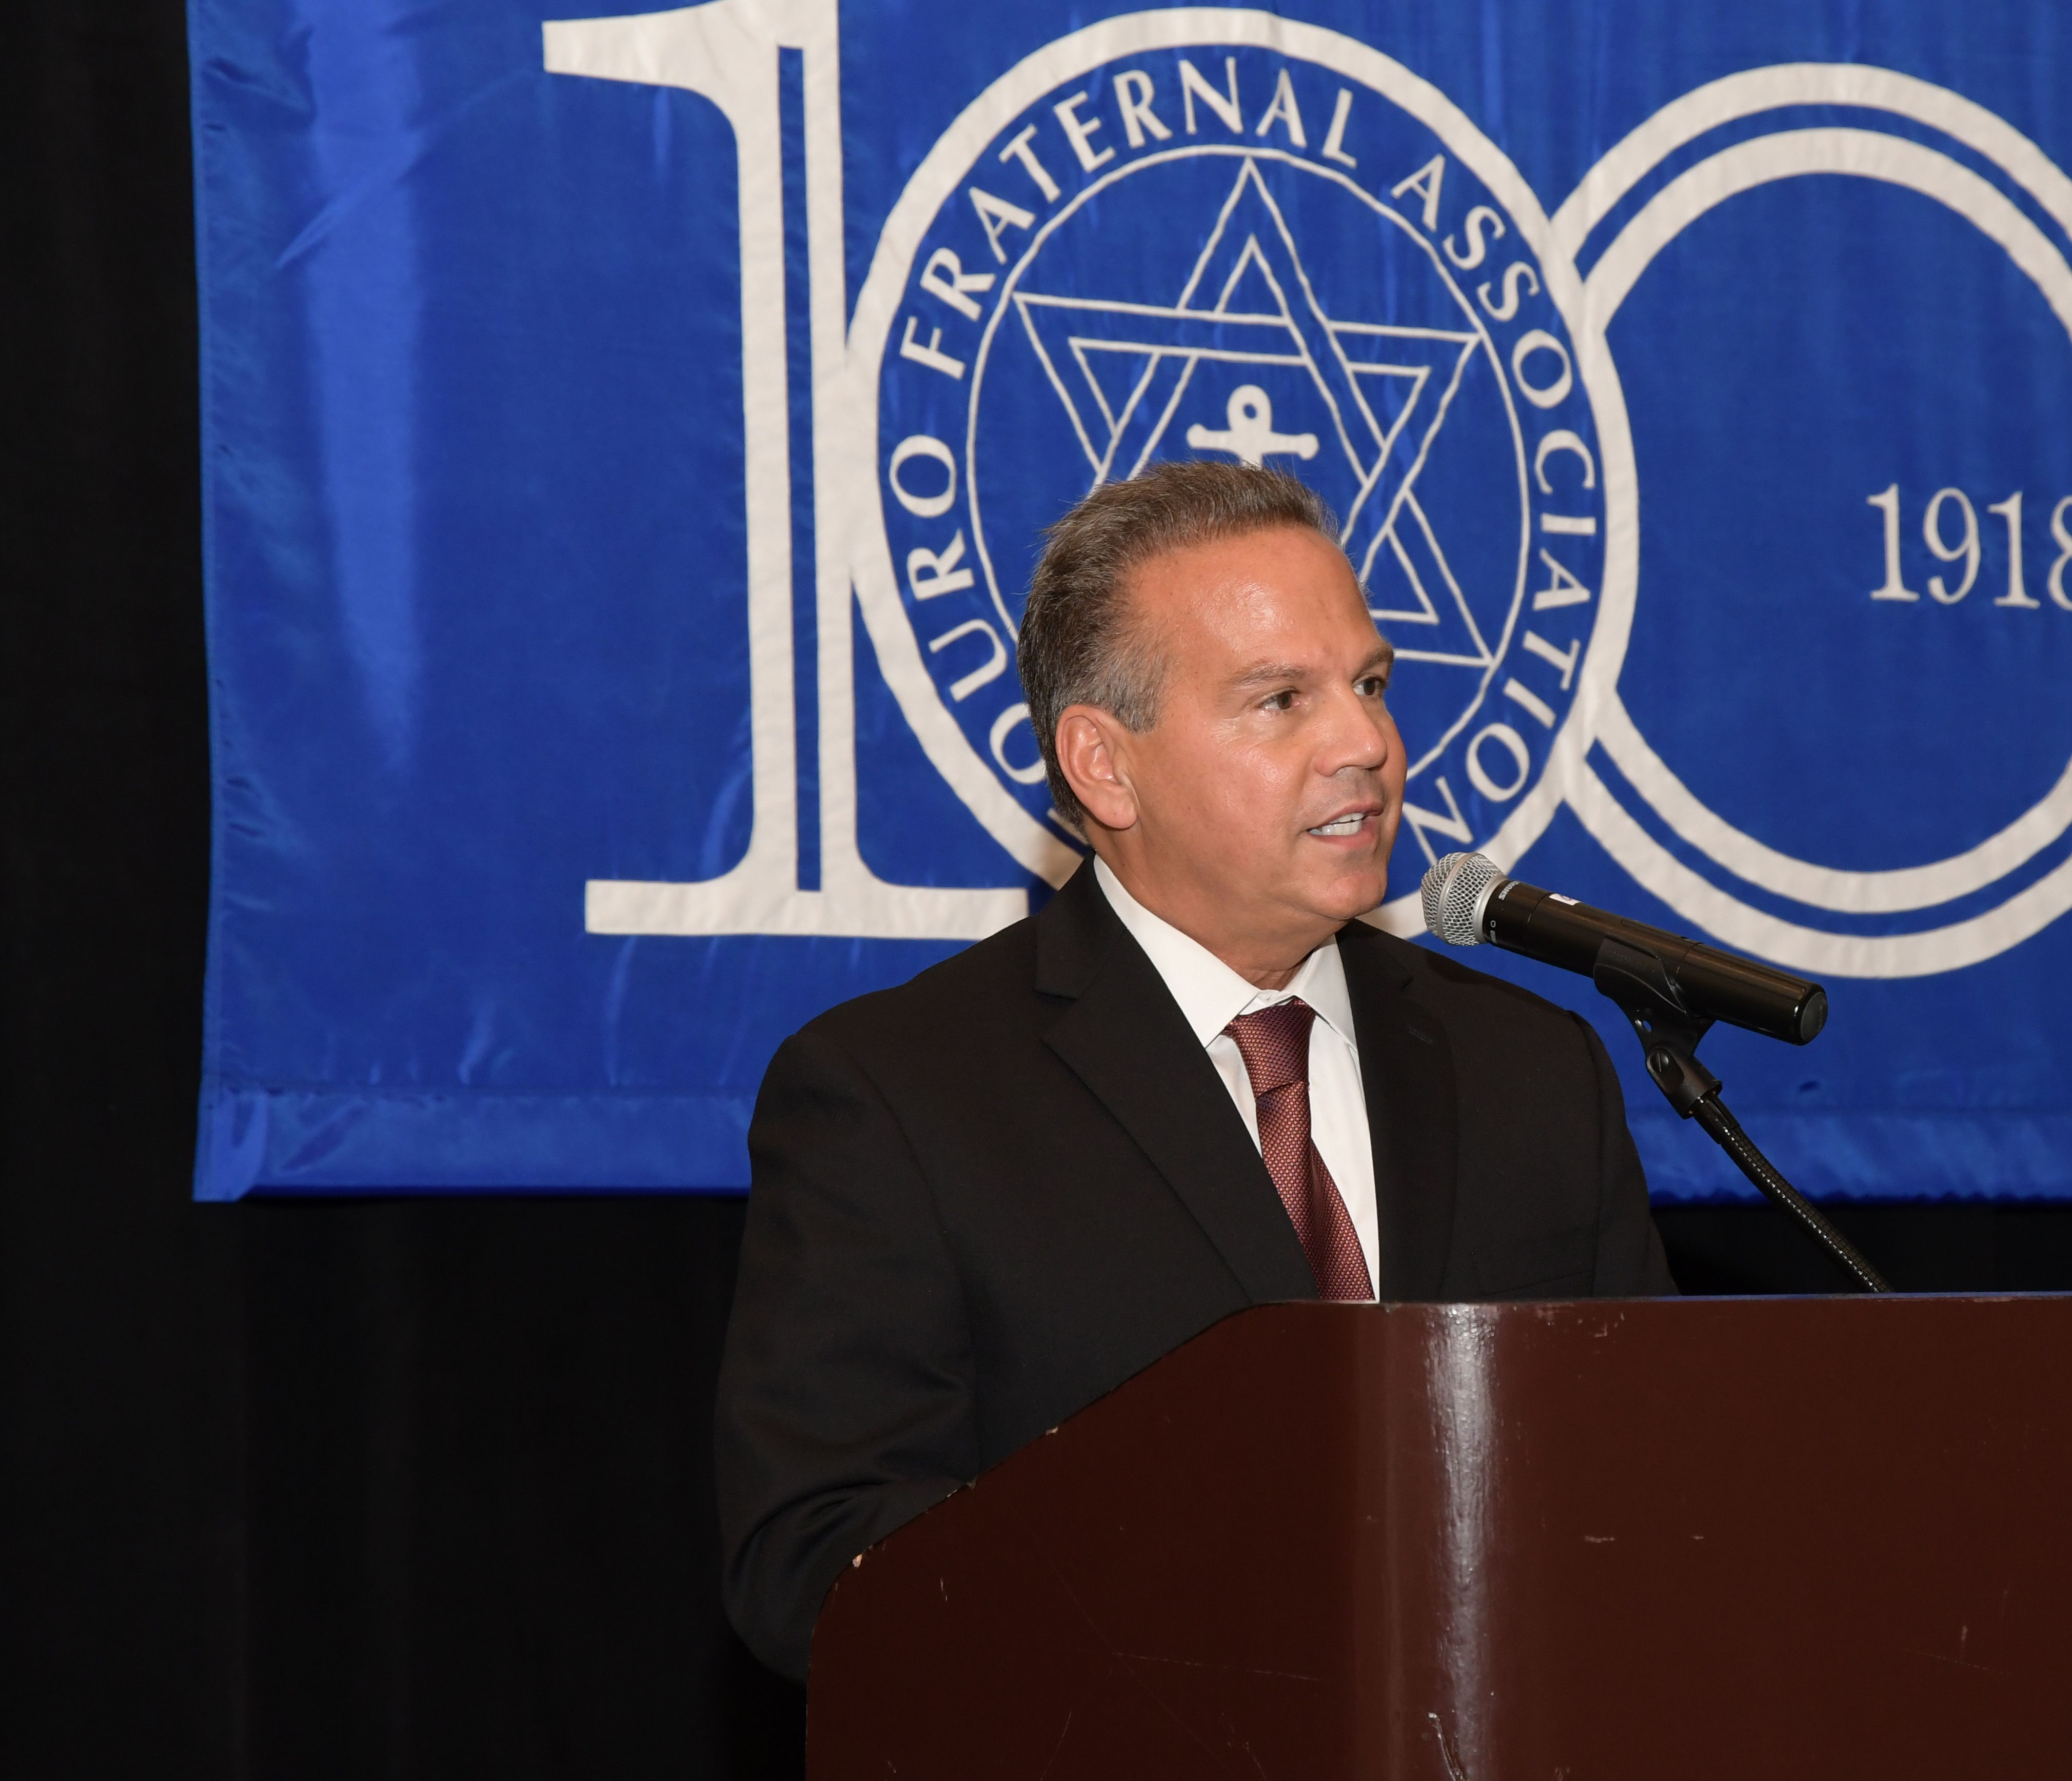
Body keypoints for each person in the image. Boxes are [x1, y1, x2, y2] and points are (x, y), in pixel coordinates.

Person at [714, 461, 1671, 1679]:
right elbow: (816, 1557)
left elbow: (1653, 1483)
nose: (1367, 743)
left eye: (1371, 684)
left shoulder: (1532, 1068)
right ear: (1104, 765)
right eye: (1282, 699)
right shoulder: (899, 1094)